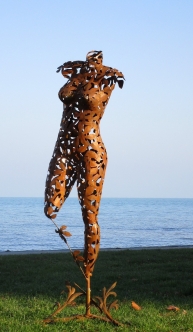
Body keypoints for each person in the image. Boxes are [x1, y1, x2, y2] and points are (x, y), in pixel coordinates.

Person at [44, 51, 124, 276]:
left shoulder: (108, 78)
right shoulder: (73, 74)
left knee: (89, 214)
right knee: (50, 209)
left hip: (92, 151)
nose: (93, 59)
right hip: (63, 149)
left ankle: (88, 269)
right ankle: (73, 251)